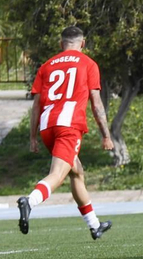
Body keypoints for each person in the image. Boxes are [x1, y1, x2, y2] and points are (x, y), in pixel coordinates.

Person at [16, 25, 115, 238]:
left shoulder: (46, 66)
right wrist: (106, 135)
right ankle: (30, 201)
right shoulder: (88, 64)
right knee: (58, 174)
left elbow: (36, 105)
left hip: (47, 127)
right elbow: (96, 103)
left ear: (61, 45)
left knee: (76, 171)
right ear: (83, 43)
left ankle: (94, 225)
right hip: (68, 127)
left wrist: (32, 137)